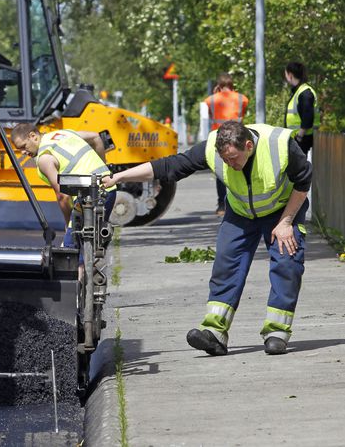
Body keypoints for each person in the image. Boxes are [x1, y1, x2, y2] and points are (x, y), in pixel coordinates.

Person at [101, 120, 311, 356]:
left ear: (249, 146)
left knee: (286, 262)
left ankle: (277, 333)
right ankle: (214, 332)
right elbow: (170, 167)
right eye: (225, 160)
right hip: (241, 212)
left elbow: (303, 181)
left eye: (234, 158)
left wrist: (286, 222)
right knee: (226, 263)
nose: (230, 165)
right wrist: (119, 177)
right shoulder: (212, 147)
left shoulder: (280, 145)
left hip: (281, 210)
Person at [10, 123, 117, 247]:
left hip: (87, 196)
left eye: (24, 146)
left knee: (69, 252)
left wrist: (68, 225)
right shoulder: (64, 134)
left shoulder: (44, 158)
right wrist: (103, 166)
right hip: (109, 189)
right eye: (19, 149)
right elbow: (95, 137)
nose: (23, 152)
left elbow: (62, 196)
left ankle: (82, 264)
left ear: (33, 136)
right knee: (94, 239)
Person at [203, 73, 249, 216]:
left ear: (218, 85)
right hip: (237, 138)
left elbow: (211, 115)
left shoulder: (210, 100)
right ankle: (243, 203)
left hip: (219, 138)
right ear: (232, 84)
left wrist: (215, 94)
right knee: (240, 169)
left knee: (221, 172)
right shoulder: (242, 98)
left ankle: (222, 206)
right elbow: (242, 114)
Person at [284, 61, 318, 156]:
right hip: (299, 141)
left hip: (303, 141)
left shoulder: (304, 92)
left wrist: (299, 136)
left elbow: (308, 117)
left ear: (290, 75)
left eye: (286, 75)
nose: (286, 78)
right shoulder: (299, 91)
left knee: (301, 169)